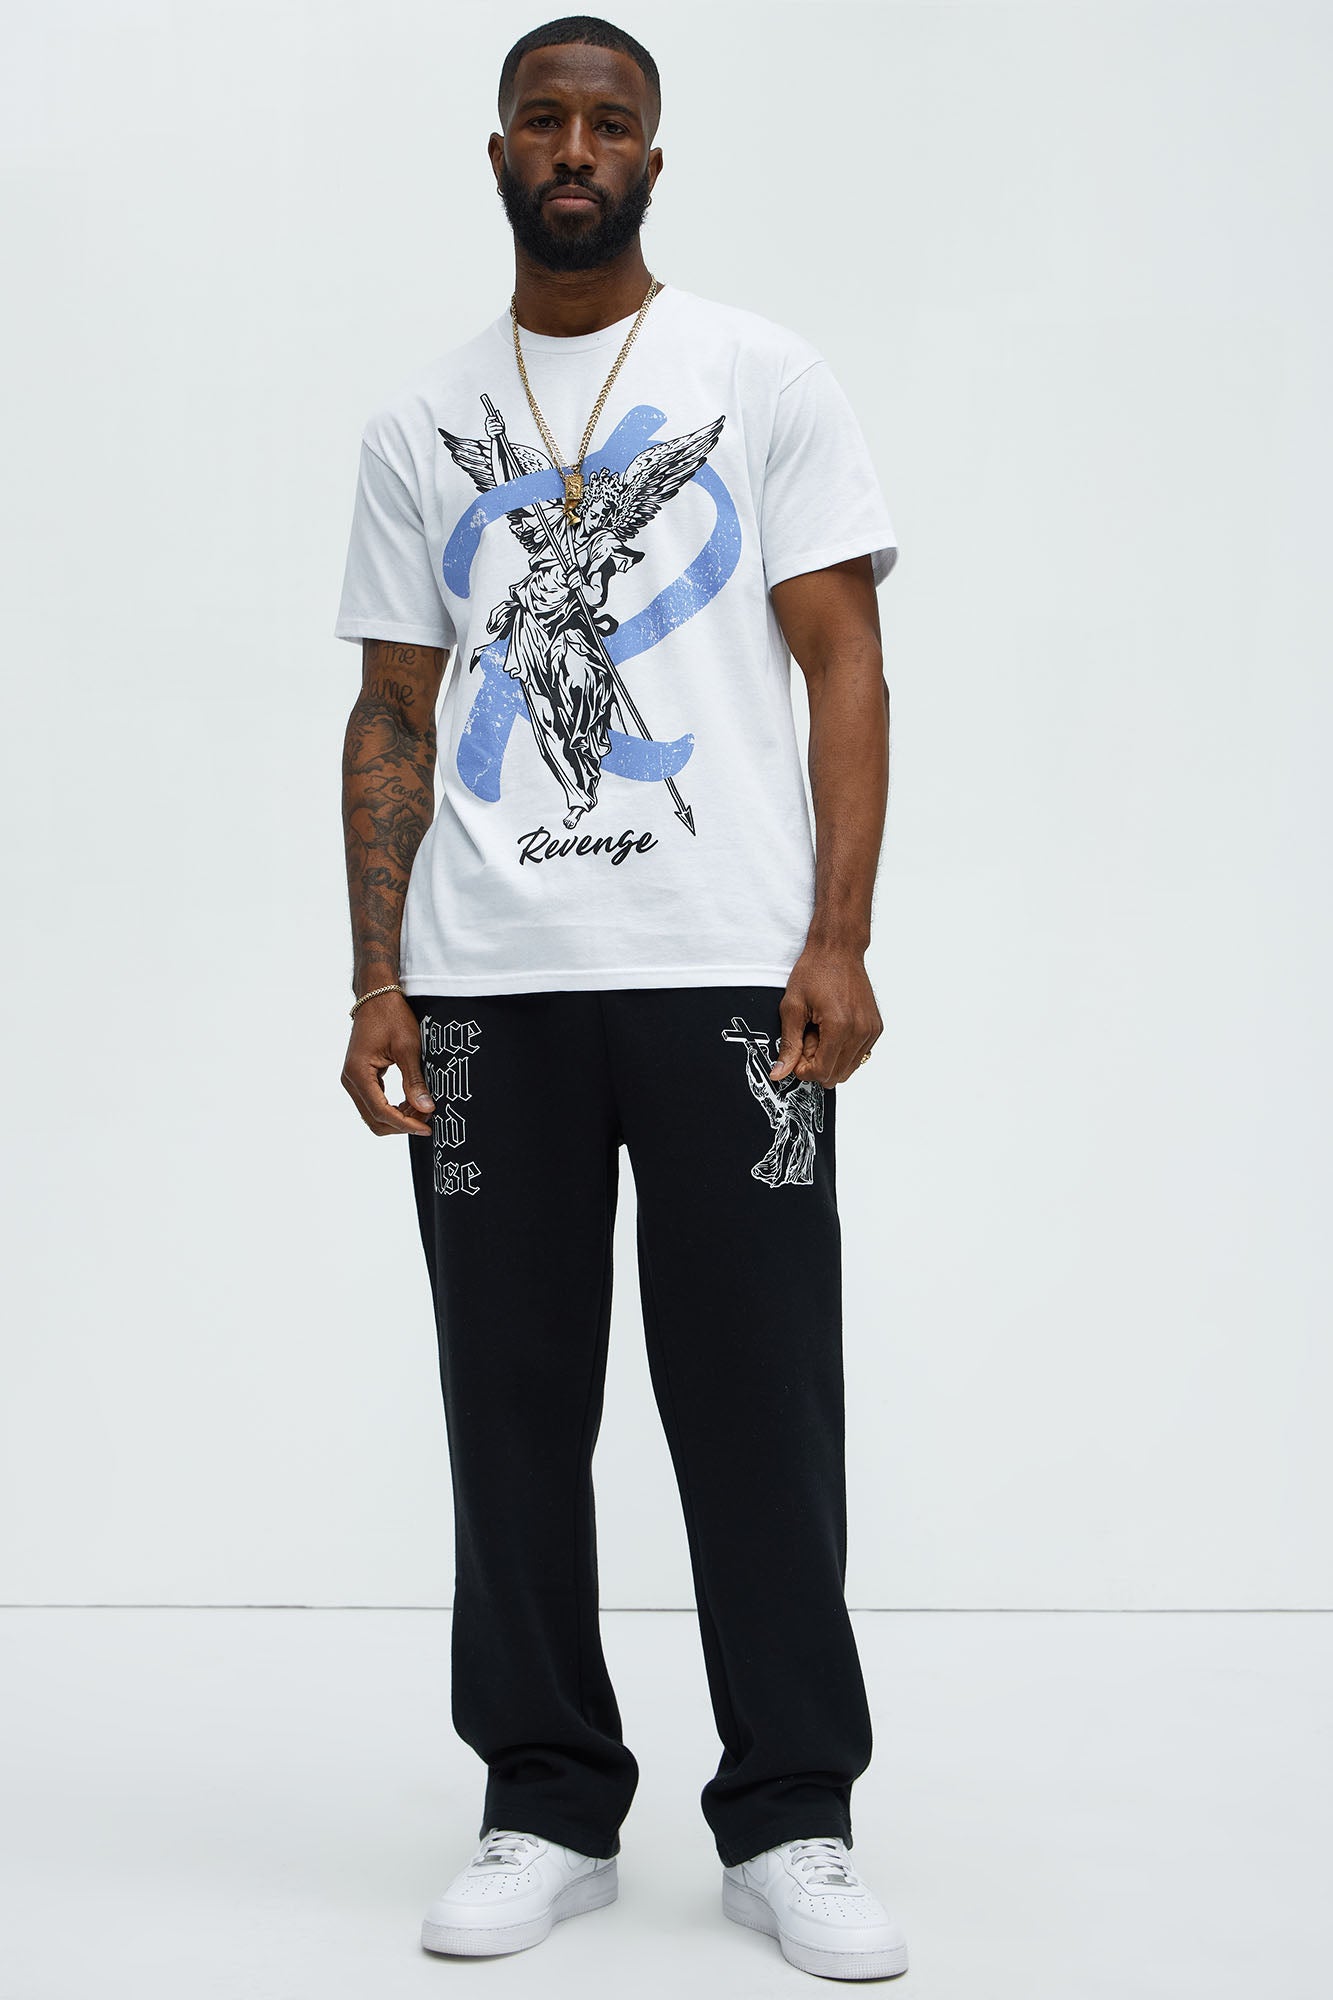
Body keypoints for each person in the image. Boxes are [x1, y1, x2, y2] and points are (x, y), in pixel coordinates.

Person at [333, 13, 909, 1982]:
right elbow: (392, 708)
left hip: (727, 971)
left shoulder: (757, 376)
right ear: (498, 150)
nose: (576, 147)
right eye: (546, 119)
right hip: (486, 986)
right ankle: (547, 1799)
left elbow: (843, 660)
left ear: (653, 160)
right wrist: (377, 977)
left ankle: (793, 1816)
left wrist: (837, 934)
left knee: (761, 1400)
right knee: (506, 1405)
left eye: (611, 123)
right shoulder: (419, 421)